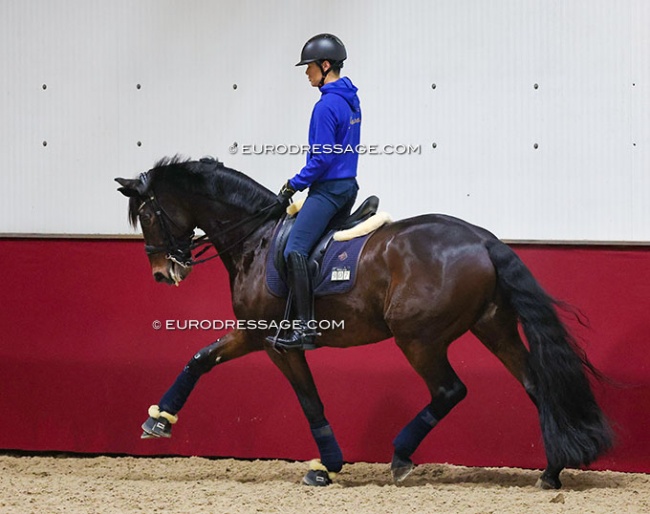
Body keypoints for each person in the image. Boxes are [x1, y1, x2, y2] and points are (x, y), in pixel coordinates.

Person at [270, 33, 362, 350]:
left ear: (325, 65)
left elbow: (321, 157)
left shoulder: (326, 106)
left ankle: (305, 329)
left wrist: (292, 184)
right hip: (348, 186)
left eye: (309, 66)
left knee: (293, 248)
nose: (306, 72)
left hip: (329, 191)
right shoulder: (350, 99)